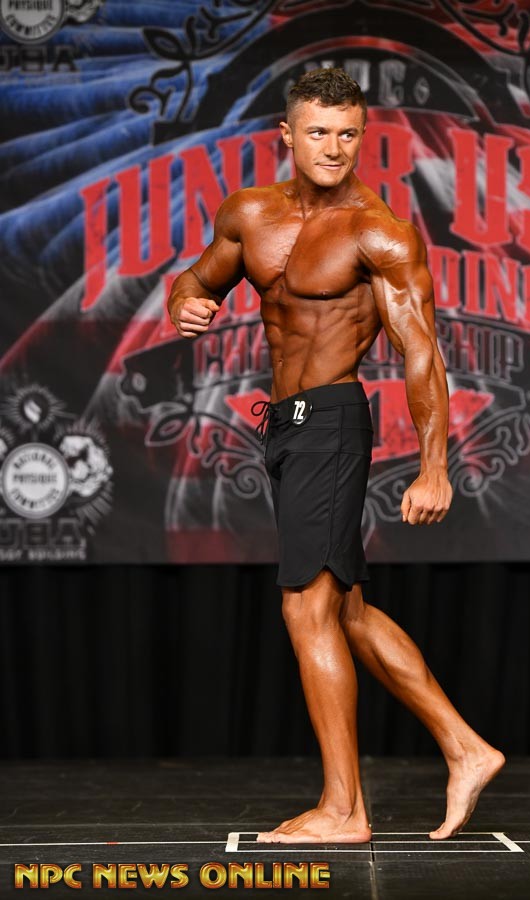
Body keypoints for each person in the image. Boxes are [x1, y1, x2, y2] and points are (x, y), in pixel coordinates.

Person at [167, 68, 505, 844]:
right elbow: (198, 277)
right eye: (318, 132)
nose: (333, 147)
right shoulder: (249, 213)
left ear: (363, 137)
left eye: (348, 133)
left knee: (306, 606)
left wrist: (434, 466)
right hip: (285, 426)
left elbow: (420, 352)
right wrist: (185, 303)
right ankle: (466, 748)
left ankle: (345, 810)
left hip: (332, 421)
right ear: (286, 135)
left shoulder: (377, 231)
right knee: (345, 610)